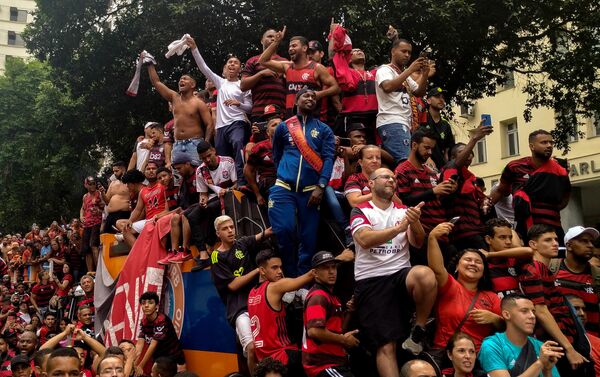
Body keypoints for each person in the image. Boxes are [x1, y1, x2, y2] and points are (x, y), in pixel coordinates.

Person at [350, 167, 436, 376]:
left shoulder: (403, 211)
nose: (391, 180)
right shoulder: (361, 210)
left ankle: (419, 329)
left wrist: (414, 222)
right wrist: (398, 229)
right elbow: (364, 239)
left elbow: (417, 242)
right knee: (386, 346)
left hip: (400, 274)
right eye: (385, 177)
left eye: (394, 178)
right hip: (372, 279)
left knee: (425, 275)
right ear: (370, 184)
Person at [268, 88, 336, 277]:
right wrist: (284, 172)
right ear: (296, 102)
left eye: (313, 96)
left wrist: (321, 186)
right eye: (306, 95)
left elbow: (329, 158)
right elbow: (277, 155)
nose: (310, 98)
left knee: (308, 238)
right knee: (284, 229)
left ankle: (303, 282)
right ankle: (289, 278)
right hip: (283, 188)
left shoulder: (324, 130)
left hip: (311, 191)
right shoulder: (283, 127)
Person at [518, 224, 589, 374]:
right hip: (553, 344)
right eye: (548, 240)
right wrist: (569, 349)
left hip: (565, 339)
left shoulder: (544, 269)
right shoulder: (532, 269)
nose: (555, 243)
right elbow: (541, 311)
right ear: (533, 244)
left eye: (556, 239)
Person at [210, 215, 273, 374]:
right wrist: (258, 271)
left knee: (266, 346)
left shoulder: (242, 243)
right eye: (225, 229)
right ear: (218, 233)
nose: (230, 231)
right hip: (239, 308)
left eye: (232, 227)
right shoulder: (216, 256)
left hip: (259, 303)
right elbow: (233, 285)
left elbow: (265, 233)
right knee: (251, 348)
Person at [186, 36, 252, 185]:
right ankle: (225, 187)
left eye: (236, 63)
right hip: (221, 127)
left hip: (238, 123)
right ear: (225, 68)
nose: (232, 64)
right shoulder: (220, 83)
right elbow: (204, 68)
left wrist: (238, 104)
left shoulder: (243, 85)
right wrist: (194, 48)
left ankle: (242, 182)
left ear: (240, 69)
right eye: (230, 62)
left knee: (238, 144)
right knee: (222, 158)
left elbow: (250, 107)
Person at [427, 222, 502, 353]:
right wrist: (432, 238)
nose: (473, 263)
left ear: (484, 271)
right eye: (468, 260)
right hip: (446, 355)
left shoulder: (492, 297)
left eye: (478, 262)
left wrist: (495, 319)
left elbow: (508, 326)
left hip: (479, 358)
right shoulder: (449, 286)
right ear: (456, 266)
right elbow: (437, 269)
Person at [165, 140, 237, 268]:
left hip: (230, 195)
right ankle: (203, 254)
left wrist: (228, 190)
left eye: (209, 155)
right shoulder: (201, 170)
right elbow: (203, 193)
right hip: (212, 197)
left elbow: (238, 184)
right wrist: (202, 200)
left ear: (214, 151)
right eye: (204, 158)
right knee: (190, 215)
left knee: (210, 208)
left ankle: (209, 246)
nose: (208, 160)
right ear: (199, 158)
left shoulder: (228, 162)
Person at [490, 130, 571, 243]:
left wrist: (547, 209)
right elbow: (502, 190)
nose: (549, 145)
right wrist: (486, 209)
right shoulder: (514, 167)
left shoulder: (559, 169)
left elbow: (565, 197)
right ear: (532, 146)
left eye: (551, 143)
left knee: (557, 259)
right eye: (544, 142)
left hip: (553, 226)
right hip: (525, 227)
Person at [247, 250, 315, 375]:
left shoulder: (251, 293)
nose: (280, 271)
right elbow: (309, 276)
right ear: (262, 270)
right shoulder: (274, 287)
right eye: (274, 267)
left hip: (264, 363)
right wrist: (338, 259)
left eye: (280, 267)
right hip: (283, 356)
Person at [143, 51, 212, 166]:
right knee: (178, 180)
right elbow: (156, 82)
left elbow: (209, 124)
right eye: (180, 79)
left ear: (193, 85)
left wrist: (205, 144)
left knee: (198, 177)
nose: (181, 81)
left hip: (195, 143)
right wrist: (150, 64)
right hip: (178, 144)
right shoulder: (174, 98)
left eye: (185, 79)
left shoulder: (199, 103)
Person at [257, 26, 340, 119]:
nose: (290, 49)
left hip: (311, 117)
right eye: (289, 47)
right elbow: (263, 61)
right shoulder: (287, 67)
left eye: (294, 46)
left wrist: (320, 94)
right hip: (291, 117)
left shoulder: (317, 68)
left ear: (304, 48)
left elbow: (336, 88)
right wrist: (276, 42)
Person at [302, 251, 359, 377]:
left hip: (335, 363)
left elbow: (339, 330)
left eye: (333, 267)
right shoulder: (318, 296)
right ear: (315, 273)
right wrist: (344, 340)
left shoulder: (332, 297)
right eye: (326, 268)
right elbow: (314, 331)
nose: (332, 271)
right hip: (322, 365)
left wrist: (349, 312)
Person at [478, 294, 561, 377]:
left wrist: (547, 371)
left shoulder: (541, 346)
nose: (532, 316)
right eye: (524, 311)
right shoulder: (493, 345)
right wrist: (540, 363)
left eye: (533, 311)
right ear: (507, 315)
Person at [375, 37, 429, 164]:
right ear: (393, 51)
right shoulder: (384, 69)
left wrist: (425, 74)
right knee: (405, 162)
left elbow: (419, 92)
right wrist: (410, 70)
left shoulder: (403, 74)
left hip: (404, 122)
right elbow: (387, 86)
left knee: (407, 162)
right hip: (392, 121)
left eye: (409, 52)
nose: (407, 55)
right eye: (403, 51)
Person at [440, 124, 493, 250]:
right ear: (452, 158)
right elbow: (456, 165)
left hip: (477, 230)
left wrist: (484, 203)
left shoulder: (473, 179)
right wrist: (474, 139)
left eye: (469, 151)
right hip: (463, 233)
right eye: (463, 152)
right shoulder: (450, 170)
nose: (468, 154)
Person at [550, 225, 600, 336]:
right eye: (584, 241)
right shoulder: (551, 268)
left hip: (593, 342)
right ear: (569, 246)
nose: (590, 245)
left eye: (591, 242)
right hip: (560, 341)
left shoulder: (597, 275)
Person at [117, 162, 169, 248]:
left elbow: (168, 207)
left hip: (161, 218)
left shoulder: (162, 185)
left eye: (153, 169)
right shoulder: (143, 191)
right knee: (126, 229)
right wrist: (130, 220)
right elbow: (137, 210)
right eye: (148, 169)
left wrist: (160, 216)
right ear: (144, 172)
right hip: (148, 221)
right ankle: (139, 252)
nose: (151, 171)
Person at [240, 29, 287, 121]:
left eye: (275, 37)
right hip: (259, 112)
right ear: (262, 40)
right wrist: (261, 74)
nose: (273, 39)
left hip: (281, 112)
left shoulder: (285, 61)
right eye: (269, 36)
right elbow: (243, 86)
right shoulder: (253, 60)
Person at [135, 291, 185, 374]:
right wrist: (133, 363)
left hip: (174, 358)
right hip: (159, 359)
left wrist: (141, 365)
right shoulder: (143, 322)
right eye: (143, 303)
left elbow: (153, 345)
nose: (146, 305)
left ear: (156, 306)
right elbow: (139, 344)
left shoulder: (161, 320)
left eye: (150, 303)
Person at [482, 218, 532, 298]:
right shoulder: (481, 263)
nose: (508, 242)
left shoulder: (514, 260)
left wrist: (490, 254)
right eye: (502, 237)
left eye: (510, 237)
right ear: (488, 239)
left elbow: (529, 251)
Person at [244, 116, 280, 206]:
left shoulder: (291, 145)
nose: (278, 126)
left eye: (280, 124)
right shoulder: (260, 147)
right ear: (267, 132)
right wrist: (258, 195)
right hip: (269, 181)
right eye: (274, 125)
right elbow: (247, 171)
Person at [418, 87, 455, 169]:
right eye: (437, 97)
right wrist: (427, 158)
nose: (441, 100)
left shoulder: (446, 125)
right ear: (428, 101)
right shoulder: (422, 119)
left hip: (441, 167)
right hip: (423, 164)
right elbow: (416, 142)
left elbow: (449, 150)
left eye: (443, 97)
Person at [567, 295, 600, 377]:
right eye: (576, 308)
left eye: (584, 309)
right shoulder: (557, 340)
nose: (582, 313)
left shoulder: (598, 343)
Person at [79, 176, 104, 272]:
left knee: (93, 245)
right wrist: (81, 216)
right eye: (90, 184)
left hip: (97, 222)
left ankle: (98, 270)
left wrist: (99, 211)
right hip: (87, 224)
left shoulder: (99, 194)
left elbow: (105, 208)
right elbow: (82, 208)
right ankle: (90, 272)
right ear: (85, 185)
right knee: (86, 250)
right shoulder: (85, 196)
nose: (92, 185)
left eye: (94, 183)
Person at [101, 161, 131, 234]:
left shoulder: (130, 183)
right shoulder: (113, 183)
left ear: (123, 169)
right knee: (106, 238)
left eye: (117, 171)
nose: (114, 173)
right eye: (113, 171)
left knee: (119, 239)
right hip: (110, 215)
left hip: (123, 214)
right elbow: (107, 201)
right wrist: (102, 193)